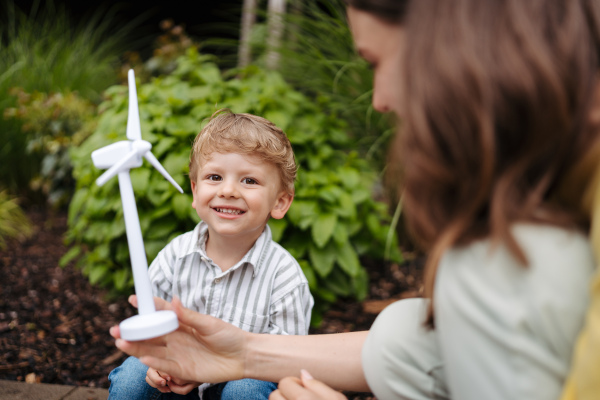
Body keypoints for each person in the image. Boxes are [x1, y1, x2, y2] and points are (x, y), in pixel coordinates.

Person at [111, 0, 600, 399]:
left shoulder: (518, 265)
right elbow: (423, 350)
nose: (379, 100)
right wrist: (242, 353)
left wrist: (247, 365)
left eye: (377, 63)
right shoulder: (554, 225)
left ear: (459, 53)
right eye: (214, 177)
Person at [108, 109, 314, 400]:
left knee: (246, 390)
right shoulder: (175, 256)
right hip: (177, 375)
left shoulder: (285, 278)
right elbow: (150, 327)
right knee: (132, 378)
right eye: (215, 177)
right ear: (195, 191)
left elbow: (287, 360)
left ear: (280, 202)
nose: (228, 190)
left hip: (242, 380)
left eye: (249, 181)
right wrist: (161, 364)